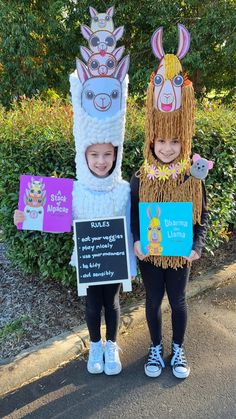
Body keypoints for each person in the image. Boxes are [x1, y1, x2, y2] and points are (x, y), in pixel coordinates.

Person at [130, 24, 209, 379]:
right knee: (151, 302)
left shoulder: (192, 176)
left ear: (182, 143)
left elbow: (201, 217)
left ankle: (177, 350)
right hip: (150, 252)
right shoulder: (140, 177)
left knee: (177, 302)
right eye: (160, 142)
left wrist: (197, 245)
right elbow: (134, 214)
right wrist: (136, 241)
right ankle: (154, 348)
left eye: (173, 142)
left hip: (179, 253)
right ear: (151, 142)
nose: (166, 147)